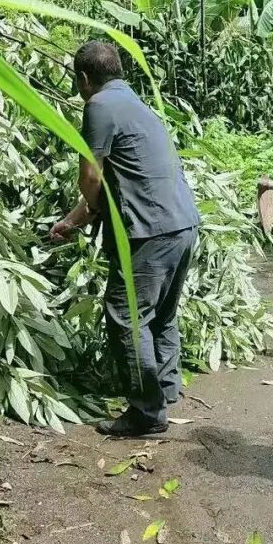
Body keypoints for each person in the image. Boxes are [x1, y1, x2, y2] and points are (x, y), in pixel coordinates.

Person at [50, 40, 199, 438]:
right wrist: (73, 221)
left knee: (127, 317)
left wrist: (89, 209)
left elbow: (90, 179)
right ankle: (164, 391)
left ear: (84, 78)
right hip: (182, 226)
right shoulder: (139, 106)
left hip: (148, 231)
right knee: (161, 314)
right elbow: (114, 188)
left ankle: (146, 413)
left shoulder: (98, 106)